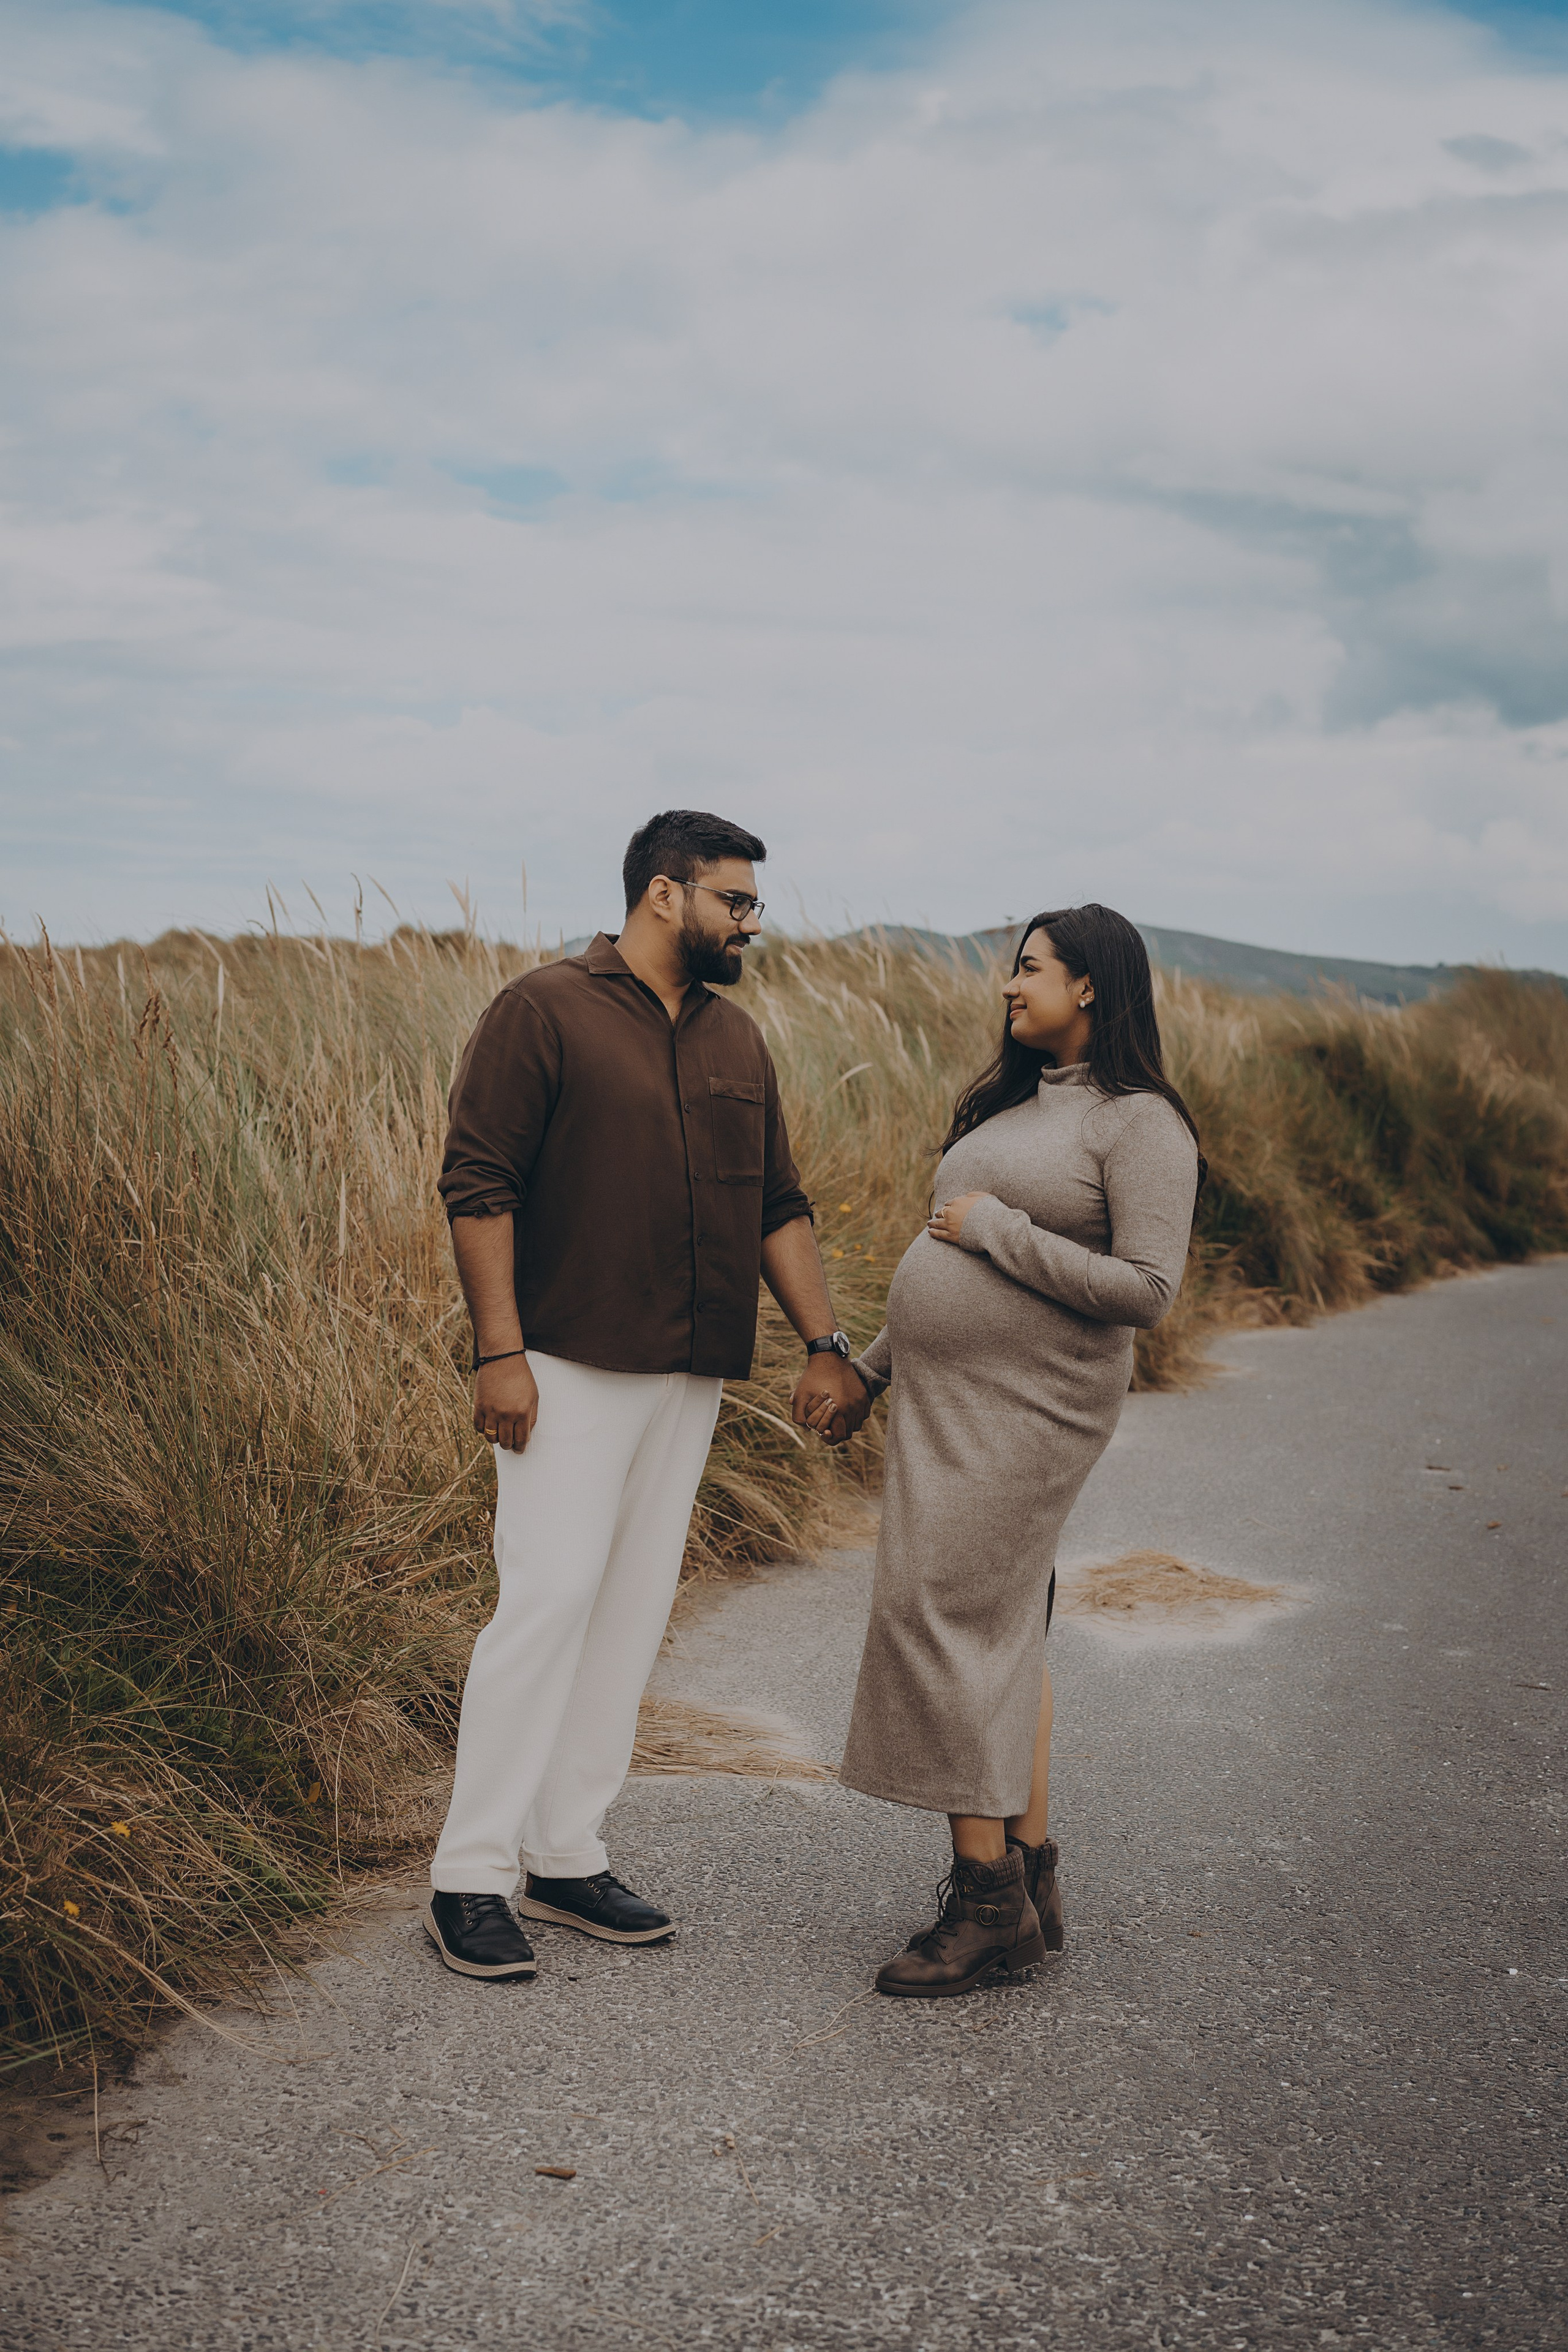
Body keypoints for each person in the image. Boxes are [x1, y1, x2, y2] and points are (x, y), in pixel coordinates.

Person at [426, 810, 865, 1980]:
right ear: (665, 894)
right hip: (565, 1361)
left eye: (754, 904)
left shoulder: (737, 1041)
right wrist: (498, 1352)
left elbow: (778, 1201)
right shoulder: (544, 1010)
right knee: (548, 1600)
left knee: (626, 1617)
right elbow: (478, 1182)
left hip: (690, 1372)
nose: (751, 924)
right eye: (737, 901)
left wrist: (825, 1341)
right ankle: (469, 1874)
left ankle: (566, 1852)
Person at [807, 904, 1204, 1998]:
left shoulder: (1142, 1126)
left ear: (1090, 987)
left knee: (941, 1606)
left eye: (1029, 969)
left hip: (1036, 1405)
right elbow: (943, 1267)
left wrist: (997, 1230)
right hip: (947, 1398)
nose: (1008, 986)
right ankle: (1029, 1876)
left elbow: (1146, 1291)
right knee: (1000, 1618)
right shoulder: (1014, 1108)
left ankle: (985, 1905)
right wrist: (873, 1372)